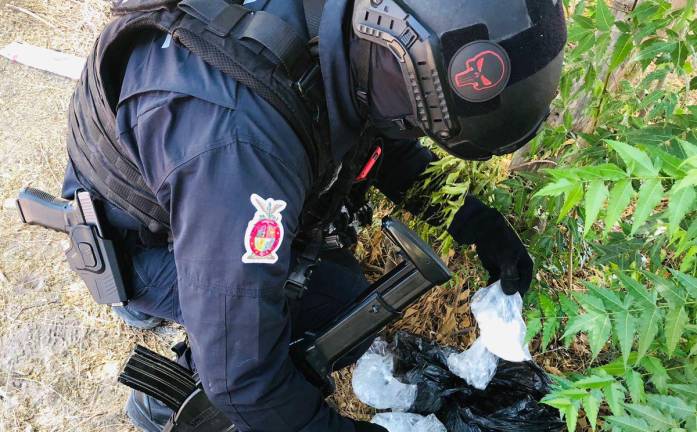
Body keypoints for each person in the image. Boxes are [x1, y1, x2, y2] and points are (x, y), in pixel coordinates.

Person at [61, 0, 567, 430]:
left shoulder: (352, 31)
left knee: (331, 284)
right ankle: (165, 401)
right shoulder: (243, 146)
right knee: (328, 309)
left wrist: (479, 225)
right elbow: (243, 377)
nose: (412, 126)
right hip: (142, 239)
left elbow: (386, 147)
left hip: (201, 177)